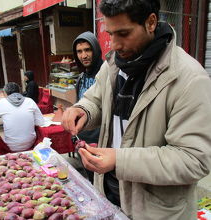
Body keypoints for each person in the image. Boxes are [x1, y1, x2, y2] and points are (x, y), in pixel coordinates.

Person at [61, 0, 211, 219]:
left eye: (123, 33)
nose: (114, 44)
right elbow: (96, 100)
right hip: (109, 194)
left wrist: (119, 160)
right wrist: (83, 110)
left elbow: (193, 159)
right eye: (110, 34)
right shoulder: (113, 64)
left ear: (151, 22)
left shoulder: (188, 78)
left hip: (155, 210)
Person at [72, 31, 103, 183]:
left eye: (87, 50)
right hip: (83, 140)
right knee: (91, 180)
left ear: (96, 50)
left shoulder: (107, 75)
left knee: (104, 182)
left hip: (102, 141)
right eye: (79, 51)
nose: (84, 55)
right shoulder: (81, 78)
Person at [0, 82, 44, 152]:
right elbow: (40, 122)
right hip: (31, 142)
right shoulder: (30, 101)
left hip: (10, 145)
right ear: (19, 91)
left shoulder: (2, 102)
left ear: (5, 93)